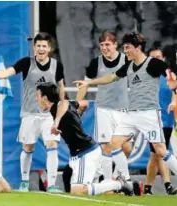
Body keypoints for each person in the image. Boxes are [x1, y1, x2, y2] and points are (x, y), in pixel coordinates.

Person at [74, 32, 177, 190]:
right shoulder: (129, 65)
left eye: (127, 48)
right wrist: (89, 83)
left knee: (161, 151)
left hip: (149, 114)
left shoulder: (153, 64)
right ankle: (124, 181)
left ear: (138, 48)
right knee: (113, 144)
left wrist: (174, 88)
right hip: (131, 114)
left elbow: (171, 77)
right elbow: (111, 77)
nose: (126, 51)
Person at [0, 32, 65, 192]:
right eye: (38, 45)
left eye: (44, 46)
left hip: (49, 115)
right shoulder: (26, 63)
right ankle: (24, 182)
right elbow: (7, 72)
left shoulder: (56, 66)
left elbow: (61, 89)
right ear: (34, 47)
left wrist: (61, 110)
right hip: (30, 114)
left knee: (52, 145)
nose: (41, 49)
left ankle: (52, 184)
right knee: (28, 148)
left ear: (49, 48)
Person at [36, 82, 143, 196]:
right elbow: (85, 103)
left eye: (37, 96)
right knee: (86, 190)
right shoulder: (67, 107)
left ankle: (120, 184)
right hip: (85, 153)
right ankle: (126, 185)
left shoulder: (57, 107)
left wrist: (56, 123)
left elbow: (64, 102)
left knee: (77, 192)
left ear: (45, 98)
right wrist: (76, 115)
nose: (36, 99)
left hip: (85, 153)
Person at [76, 31, 133, 180]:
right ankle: (108, 183)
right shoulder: (96, 63)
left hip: (123, 109)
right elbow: (84, 84)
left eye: (107, 44)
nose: (104, 47)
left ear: (115, 45)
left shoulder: (126, 60)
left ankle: (115, 177)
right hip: (103, 108)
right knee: (106, 146)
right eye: (101, 45)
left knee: (126, 148)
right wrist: (77, 105)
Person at [144, 46, 177, 195]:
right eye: (153, 58)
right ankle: (168, 186)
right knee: (158, 152)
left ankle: (148, 187)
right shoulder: (146, 76)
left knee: (157, 153)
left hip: (167, 119)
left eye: (158, 57)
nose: (156, 60)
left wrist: (174, 101)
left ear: (163, 59)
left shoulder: (169, 74)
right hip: (151, 120)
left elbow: (175, 90)